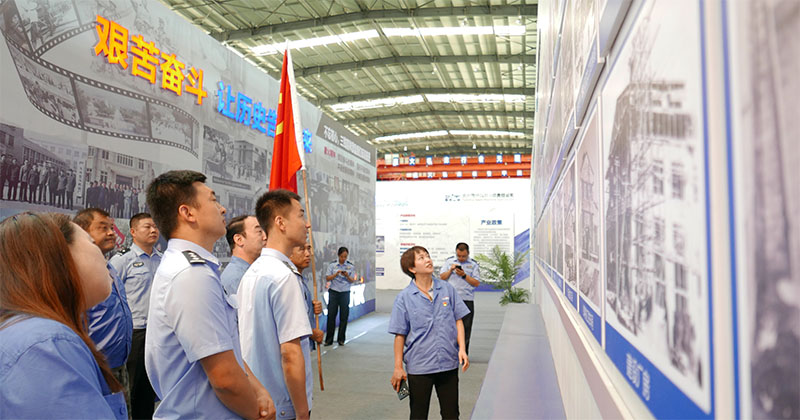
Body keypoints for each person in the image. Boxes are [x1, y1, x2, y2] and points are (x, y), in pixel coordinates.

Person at [144, 170, 273, 419]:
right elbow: (225, 379)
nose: (222, 209)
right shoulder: (191, 274)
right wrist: (258, 415)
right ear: (188, 213)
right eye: (213, 200)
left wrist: (257, 389)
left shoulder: (196, 269)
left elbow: (226, 348)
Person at [0, 212, 127, 419]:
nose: (102, 255)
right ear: (60, 257)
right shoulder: (47, 345)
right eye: (91, 242)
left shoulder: (32, 334)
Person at [238, 189, 313, 420]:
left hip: (258, 400)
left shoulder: (253, 272)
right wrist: (302, 413)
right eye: (300, 215)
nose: (307, 224)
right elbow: (290, 353)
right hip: (283, 405)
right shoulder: (283, 277)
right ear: (280, 222)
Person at [390, 246, 470, 420]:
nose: (428, 260)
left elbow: (458, 319)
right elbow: (400, 335)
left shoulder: (447, 289)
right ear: (412, 268)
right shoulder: (404, 298)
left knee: (451, 414)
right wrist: (398, 367)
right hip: (420, 366)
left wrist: (462, 349)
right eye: (421, 258)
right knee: (418, 415)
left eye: (428, 256)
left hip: (448, 363)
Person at [73, 208, 134, 403]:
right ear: (82, 232)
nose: (111, 233)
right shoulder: (75, 273)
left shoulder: (110, 267)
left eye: (112, 228)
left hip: (119, 366)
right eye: (103, 228)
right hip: (93, 369)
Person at [108, 212, 162, 419]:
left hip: (158, 332)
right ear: (133, 231)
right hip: (135, 333)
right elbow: (111, 295)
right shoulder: (123, 260)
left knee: (150, 387)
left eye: (155, 227)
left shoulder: (163, 260)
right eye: (147, 227)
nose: (153, 230)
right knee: (133, 386)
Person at [439, 242, 481, 354]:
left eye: (464, 256)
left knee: (466, 328)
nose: (461, 258)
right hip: (450, 299)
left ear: (468, 253)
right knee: (448, 327)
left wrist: (464, 275)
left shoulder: (473, 265)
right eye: (459, 256)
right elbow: (442, 277)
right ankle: (450, 353)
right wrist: (450, 270)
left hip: (466, 299)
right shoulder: (449, 262)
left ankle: (463, 353)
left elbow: (476, 283)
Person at [289, 242, 325, 347]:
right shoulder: (289, 281)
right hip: (295, 347)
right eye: (301, 249)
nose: (308, 254)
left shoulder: (301, 279)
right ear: (289, 253)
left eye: (308, 248)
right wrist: (311, 333)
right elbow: (288, 320)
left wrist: (310, 306)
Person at [221, 214, 266, 297]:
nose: (265, 237)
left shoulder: (251, 273)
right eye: (259, 232)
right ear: (239, 240)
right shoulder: (236, 279)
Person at [324, 246, 357, 346]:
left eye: (345, 257)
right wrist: (336, 274)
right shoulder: (332, 265)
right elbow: (327, 278)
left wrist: (346, 275)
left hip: (345, 293)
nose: (343, 258)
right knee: (331, 316)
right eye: (342, 256)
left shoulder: (350, 266)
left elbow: (352, 280)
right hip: (334, 292)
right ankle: (329, 340)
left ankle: (341, 339)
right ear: (338, 255)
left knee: (344, 316)